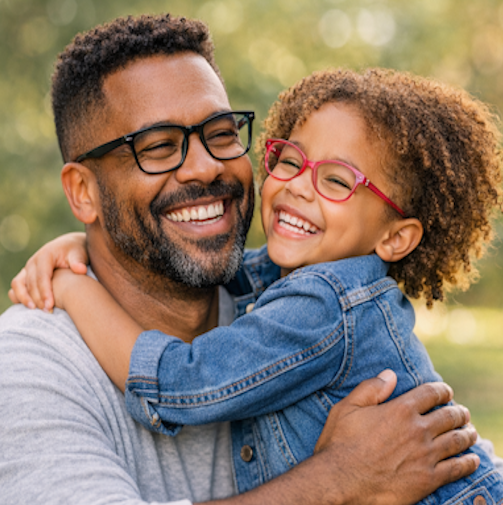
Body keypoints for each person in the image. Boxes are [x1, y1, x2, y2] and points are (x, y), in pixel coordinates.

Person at [1, 13, 483, 505]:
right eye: (160, 146)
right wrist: (340, 480)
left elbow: (178, 380)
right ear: (83, 193)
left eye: (222, 132)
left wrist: (74, 280)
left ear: (396, 236)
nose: (206, 165)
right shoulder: (31, 367)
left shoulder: (298, 300)